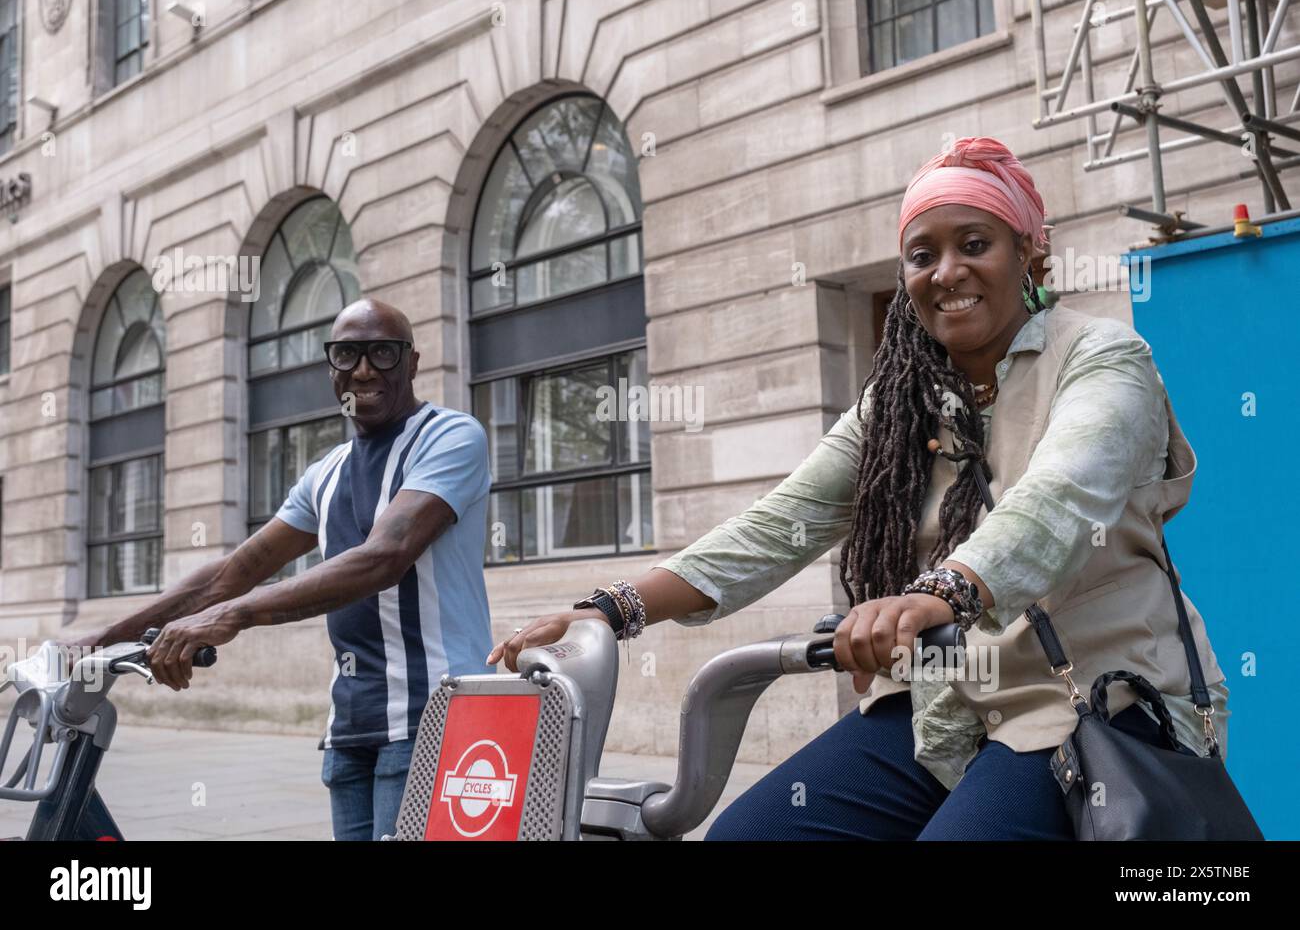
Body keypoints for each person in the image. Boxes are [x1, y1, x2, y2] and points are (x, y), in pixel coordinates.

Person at [488, 136, 1230, 840]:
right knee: (751, 834)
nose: (947, 271)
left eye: (975, 244)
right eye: (922, 254)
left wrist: (939, 592)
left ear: (1032, 251)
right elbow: (781, 523)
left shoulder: (1104, 357)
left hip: (1090, 702)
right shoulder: (896, 401)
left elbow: (1060, 499)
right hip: (944, 699)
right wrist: (609, 611)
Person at [72, 299, 493, 841]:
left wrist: (234, 615)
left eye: (383, 354)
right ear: (331, 368)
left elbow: (384, 556)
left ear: (412, 364)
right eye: (347, 354)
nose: (363, 370)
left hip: (433, 716)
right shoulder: (327, 471)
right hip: (350, 725)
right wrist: (98, 640)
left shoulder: (450, 436)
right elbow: (230, 573)